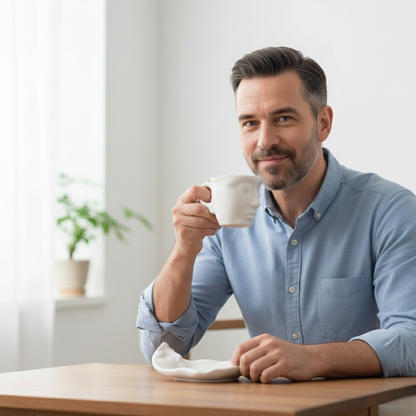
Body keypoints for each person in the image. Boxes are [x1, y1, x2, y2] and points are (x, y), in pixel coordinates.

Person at [137, 46, 416, 383]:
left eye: (283, 118)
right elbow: (163, 345)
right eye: (250, 123)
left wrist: (313, 359)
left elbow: (411, 338)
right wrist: (183, 250)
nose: (265, 140)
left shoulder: (389, 211)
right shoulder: (227, 222)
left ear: (323, 123)